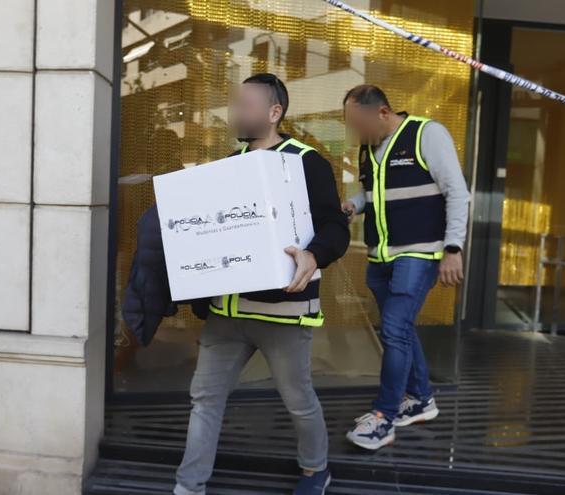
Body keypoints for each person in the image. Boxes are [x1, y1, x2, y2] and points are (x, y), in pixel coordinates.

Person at [173, 73, 349, 495]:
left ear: (274, 113)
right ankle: (188, 487)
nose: (238, 111)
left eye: (247, 104)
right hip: (226, 313)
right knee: (205, 401)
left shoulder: (307, 161)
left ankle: (315, 470)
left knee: (298, 401)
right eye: (236, 104)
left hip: (284, 314)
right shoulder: (229, 165)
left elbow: (334, 227)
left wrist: (314, 254)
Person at [340, 85, 470, 450]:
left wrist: (453, 249)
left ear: (382, 112)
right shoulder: (369, 148)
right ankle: (421, 398)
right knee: (399, 328)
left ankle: (384, 417)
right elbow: (372, 192)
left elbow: (457, 193)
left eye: (358, 123)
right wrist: (352, 204)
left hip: (419, 253)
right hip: (381, 256)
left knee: (395, 328)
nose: (355, 133)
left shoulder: (426, 134)